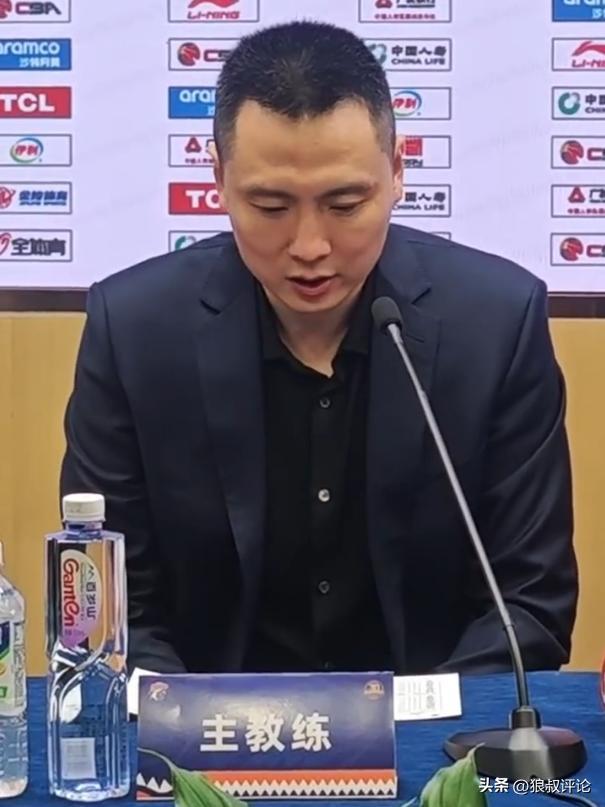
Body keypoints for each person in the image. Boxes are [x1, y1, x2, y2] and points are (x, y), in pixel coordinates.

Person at [60, 20, 578, 676]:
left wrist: (418, 726)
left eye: (344, 203)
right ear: (218, 177)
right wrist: (191, 721)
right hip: (205, 729)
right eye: (271, 206)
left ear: (397, 171)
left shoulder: (496, 325)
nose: (309, 246)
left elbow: (529, 604)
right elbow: (109, 609)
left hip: (435, 727)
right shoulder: (134, 331)